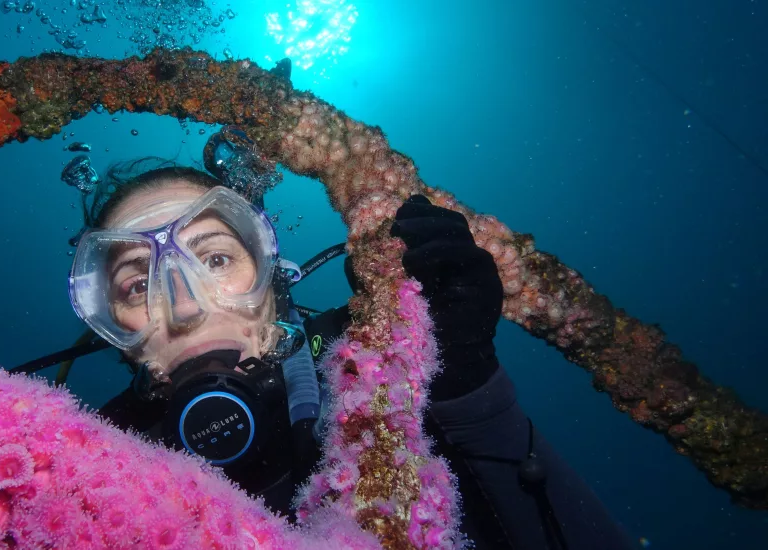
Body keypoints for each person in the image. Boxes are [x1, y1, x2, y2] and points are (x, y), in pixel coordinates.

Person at [60, 161, 636, 550]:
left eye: (214, 260)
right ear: (111, 328)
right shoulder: (75, 465)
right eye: (138, 286)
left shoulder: (373, 366)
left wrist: (469, 388)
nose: (185, 306)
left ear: (269, 280)